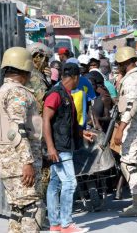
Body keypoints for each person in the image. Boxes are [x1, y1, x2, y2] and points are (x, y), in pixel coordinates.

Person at [0, 47, 43, 233]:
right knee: (33, 208)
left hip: (7, 163)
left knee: (18, 209)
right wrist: (27, 162)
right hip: (19, 164)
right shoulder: (17, 93)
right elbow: (17, 129)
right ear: (24, 69)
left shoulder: (3, 91)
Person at [43, 63, 92, 233]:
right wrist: (50, 147)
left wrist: (81, 132)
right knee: (70, 183)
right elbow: (46, 120)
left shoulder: (67, 94)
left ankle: (55, 224)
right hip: (59, 147)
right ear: (76, 77)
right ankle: (66, 224)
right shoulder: (56, 94)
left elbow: (67, 121)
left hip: (63, 145)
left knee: (55, 184)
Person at [113, 46, 137, 217]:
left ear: (124, 63)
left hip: (135, 125)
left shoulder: (130, 80)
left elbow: (132, 105)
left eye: (119, 64)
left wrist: (120, 129)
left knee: (127, 163)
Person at [26, 42, 53, 114]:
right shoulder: (34, 75)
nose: (47, 63)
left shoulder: (31, 73)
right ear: (37, 58)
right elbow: (45, 100)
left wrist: (48, 80)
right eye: (46, 60)